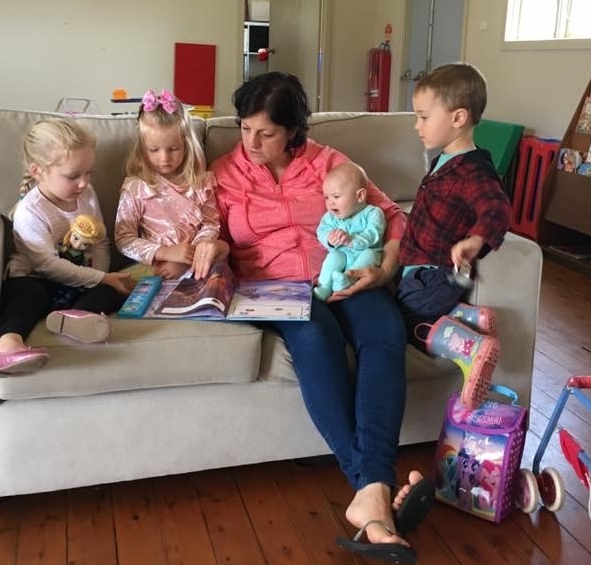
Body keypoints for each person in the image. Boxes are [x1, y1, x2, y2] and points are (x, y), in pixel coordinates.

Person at [210, 71, 434, 563]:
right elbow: (215, 232)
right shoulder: (225, 172)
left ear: (293, 130)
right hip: (276, 288)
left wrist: (383, 268)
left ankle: (368, 497)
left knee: (384, 332)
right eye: (245, 129)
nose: (251, 142)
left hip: (348, 276)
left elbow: (394, 216)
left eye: (265, 132)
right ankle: (372, 484)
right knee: (316, 338)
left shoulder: (331, 164)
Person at [398, 63, 511, 409]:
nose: (417, 126)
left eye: (424, 117)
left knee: (404, 320)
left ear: (458, 117)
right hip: (424, 270)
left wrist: (476, 240)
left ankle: (471, 346)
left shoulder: (473, 169)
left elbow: (496, 207)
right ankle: (467, 317)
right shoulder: (446, 159)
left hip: (432, 274)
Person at [0, 118, 135, 377]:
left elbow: (100, 242)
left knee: (111, 292)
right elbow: (47, 265)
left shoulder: (86, 194)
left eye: (88, 172)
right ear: (38, 171)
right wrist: (101, 277)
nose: (83, 182)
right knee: (26, 295)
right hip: (38, 278)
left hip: (78, 282)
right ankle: (7, 346)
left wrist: (102, 279)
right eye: (73, 175)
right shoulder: (30, 211)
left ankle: (76, 319)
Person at [115, 89, 228, 281]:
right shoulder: (136, 188)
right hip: (155, 267)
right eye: (154, 150)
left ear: (186, 145)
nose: (164, 158)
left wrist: (189, 256)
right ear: (143, 149)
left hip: (196, 263)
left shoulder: (200, 183)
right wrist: (166, 253)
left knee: (224, 249)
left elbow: (211, 224)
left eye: (174, 149)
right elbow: (124, 239)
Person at [314, 162, 386, 301]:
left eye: (336, 196)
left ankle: (347, 279)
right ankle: (324, 287)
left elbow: (374, 234)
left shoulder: (373, 213)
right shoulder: (330, 217)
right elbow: (322, 231)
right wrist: (330, 239)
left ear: (359, 196)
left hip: (364, 253)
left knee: (369, 255)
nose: (330, 203)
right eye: (326, 197)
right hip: (343, 253)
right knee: (333, 257)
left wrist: (351, 240)